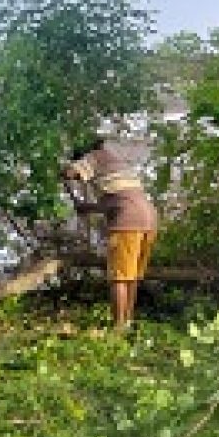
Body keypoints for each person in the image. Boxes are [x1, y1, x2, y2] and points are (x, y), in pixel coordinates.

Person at [63, 137, 159, 332]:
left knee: (118, 278)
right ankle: (127, 323)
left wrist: (64, 173)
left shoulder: (94, 157)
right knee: (131, 276)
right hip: (149, 218)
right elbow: (115, 202)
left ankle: (118, 329)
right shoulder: (116, 163)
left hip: (128, 222)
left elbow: (69, 173)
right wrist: (87, 207)